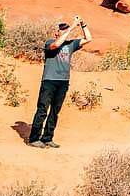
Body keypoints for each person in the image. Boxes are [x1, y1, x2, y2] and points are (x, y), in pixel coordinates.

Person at [28, 15, 91, 147]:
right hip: (49, 80)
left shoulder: (71, 44)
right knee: (42, 109)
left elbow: (88, 39)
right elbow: (56, 44)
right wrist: (72, 27)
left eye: (65, 29)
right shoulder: (49, 42)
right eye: (62, 29)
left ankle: (47, 138)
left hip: (63, 81)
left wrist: (83, 25)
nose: (65, 30)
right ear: (56, 32)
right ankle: (34, 139)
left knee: (55, 111)